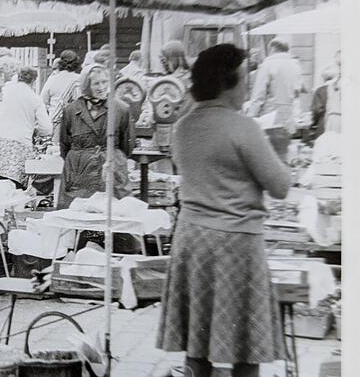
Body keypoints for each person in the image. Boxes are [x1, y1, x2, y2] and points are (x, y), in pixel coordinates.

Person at [157, 44, 290, 377]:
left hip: (192, 239)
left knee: (196, 343)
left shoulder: (184, 126)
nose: (248, 85)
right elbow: (280, 186)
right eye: (245, 77)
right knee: (246, 348)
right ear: (228, 80)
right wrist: (281, 149)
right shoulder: (245, 127)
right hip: (237, 243)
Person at [58, 65, 133, 209]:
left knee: (114, 213)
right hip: (79, 171)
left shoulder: (121, 109)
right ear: (86, 85)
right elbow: (64, 144)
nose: (101, 87)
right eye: (96, 83)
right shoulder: (71, 110)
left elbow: (127, 146)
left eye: (105, 82)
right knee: (77, 213)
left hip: (111, 169)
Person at [0, 66, 52, 189]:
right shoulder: (34, 98)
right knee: (15, 187)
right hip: (20, 145)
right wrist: (34, 130)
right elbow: (47, 129)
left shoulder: (5, 90)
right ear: (34, 81)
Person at [245, 37, 304, 162]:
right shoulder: (295, 66)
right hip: (288, 118)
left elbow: (259, 95)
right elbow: (298, 92)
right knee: (283, 155)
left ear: (273, 48)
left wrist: (250, 118)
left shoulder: (267, 65)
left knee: (267, 158)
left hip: (270, 117)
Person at [40, 49, 82, 142]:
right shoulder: (80, 80)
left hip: (56, 122)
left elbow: (42, 100)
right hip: (76, 123)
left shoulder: (52, 80)